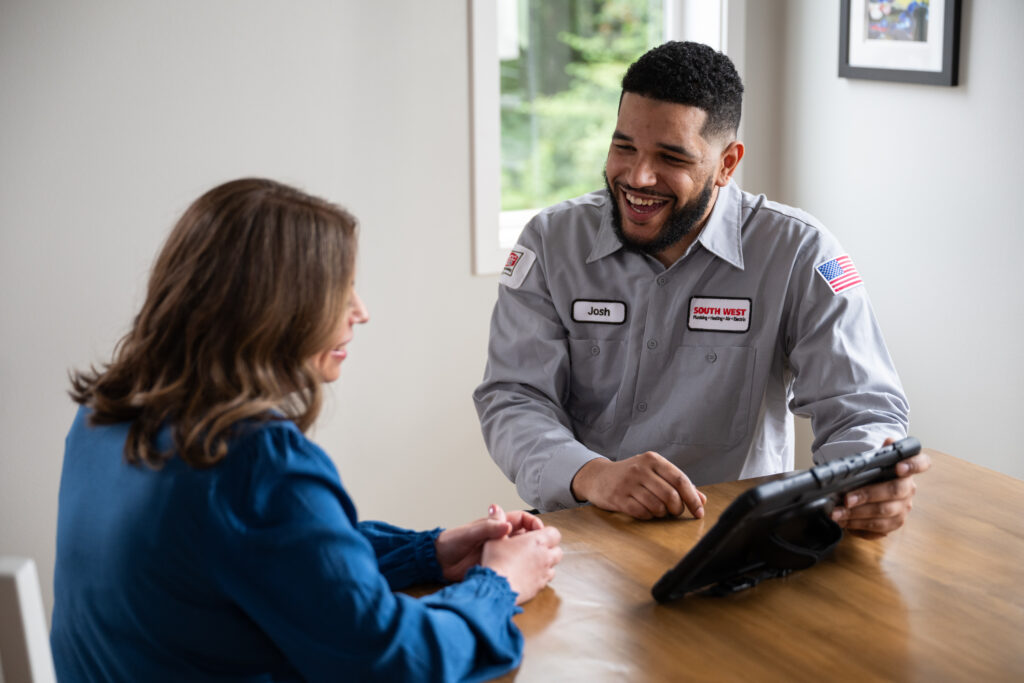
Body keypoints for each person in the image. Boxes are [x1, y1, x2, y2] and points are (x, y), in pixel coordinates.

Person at [51, 178, 562, 682]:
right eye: (341, 290)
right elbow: (399, 662)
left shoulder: (107, 414)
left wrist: (428, 552)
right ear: (275, 305)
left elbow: (282, 560)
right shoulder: (255, 462)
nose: (361, 312)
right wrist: (499, 583)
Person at [474, 41, 929, 537]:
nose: (638, 176)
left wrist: (866, 485)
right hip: (583, 532)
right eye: (624, 147)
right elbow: (514, 396)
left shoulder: (799, 251)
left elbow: (862, 407)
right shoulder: (550, 242)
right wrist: (592, 475)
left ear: (727, 164)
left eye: (671, 157)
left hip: (736, 540)